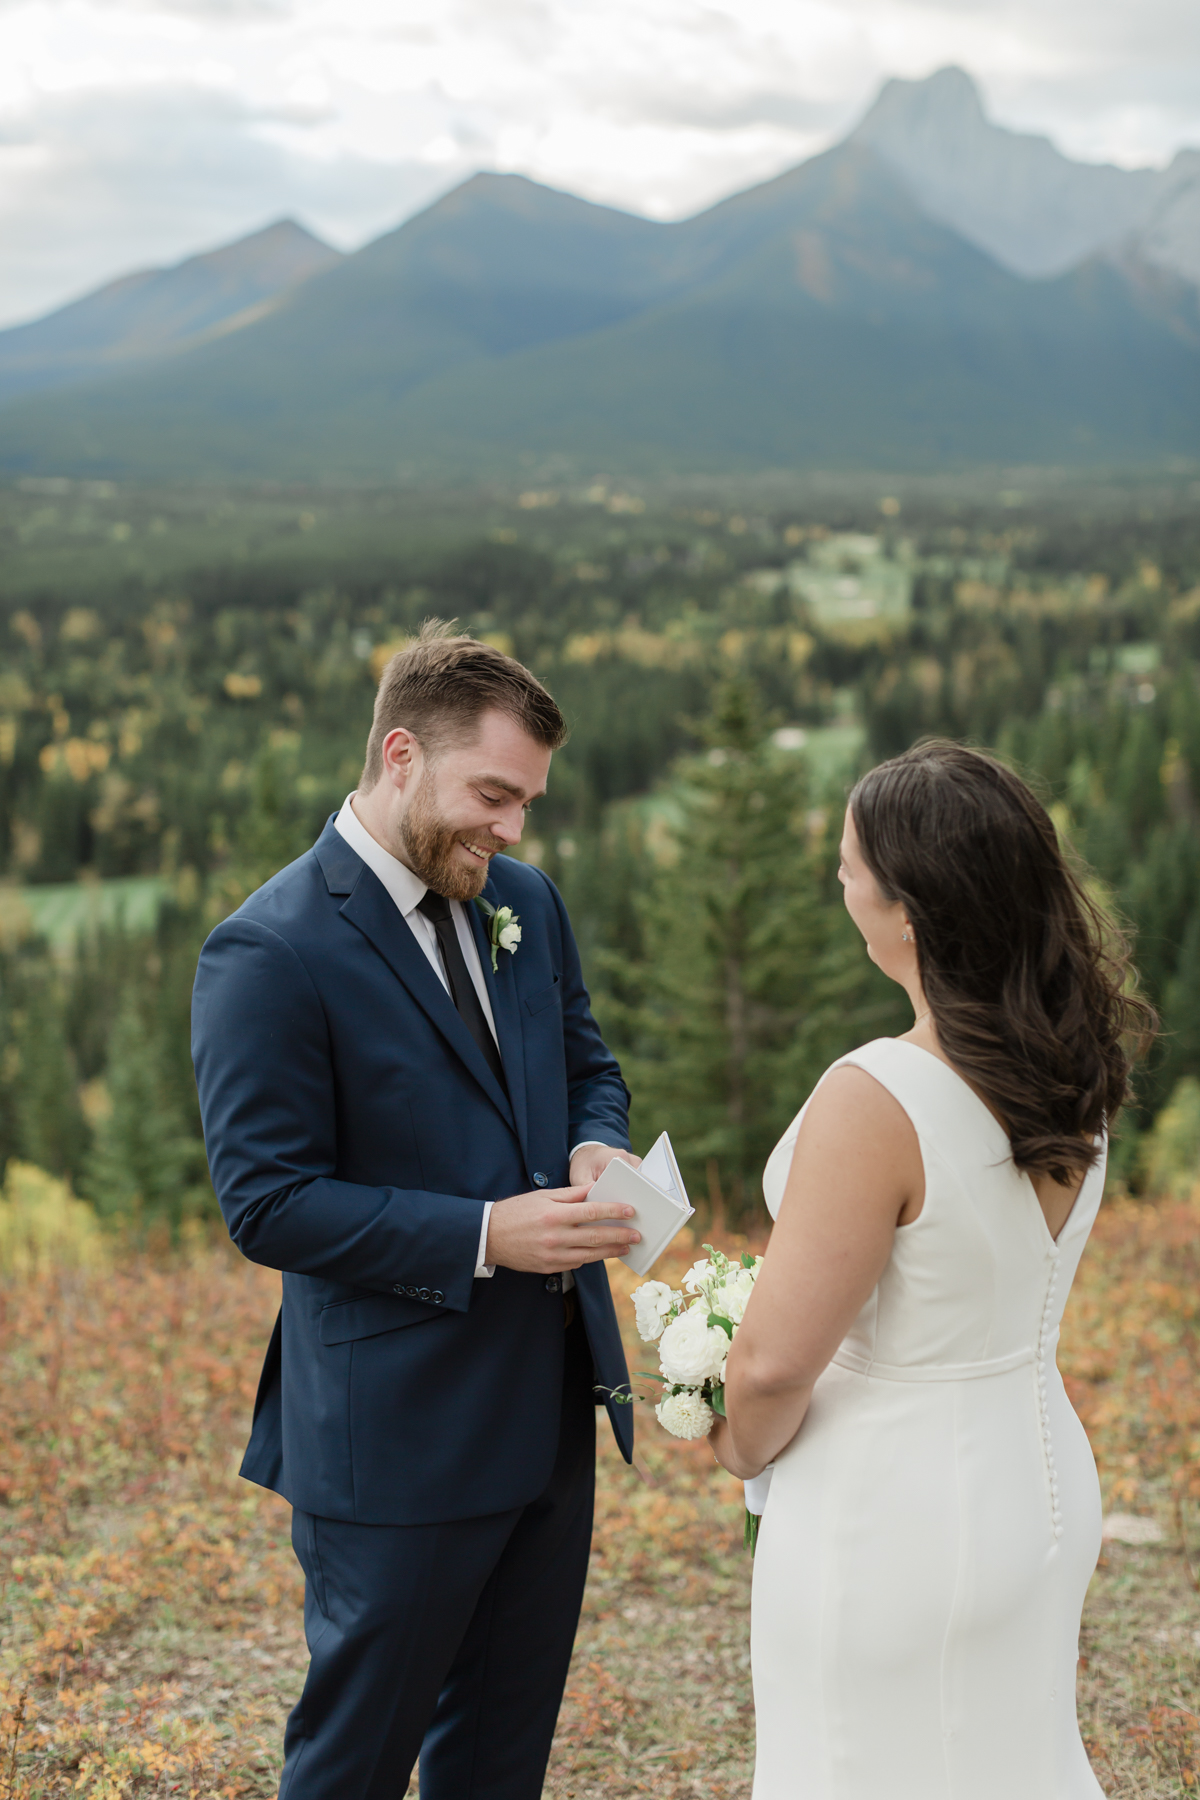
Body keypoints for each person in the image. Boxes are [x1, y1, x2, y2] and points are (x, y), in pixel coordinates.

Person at [192, 621, 643, 1800]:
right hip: (391, 1441)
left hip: (546, 1409)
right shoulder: (268, 949)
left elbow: (589, 1063)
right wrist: (487, 1236)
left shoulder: (526, 905)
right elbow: (268, 1203)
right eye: (494, 794)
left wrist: (597, 1143)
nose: (513, 829)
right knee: (353, 1765)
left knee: (501, 1762)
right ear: (401, 755)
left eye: (529, 802)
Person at [712, 740, 1154, 1799]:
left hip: (893, 1508)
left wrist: (734, 1440)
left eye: (850, 865)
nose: (839, 878)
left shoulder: (878, 1095)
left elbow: (774, 1367)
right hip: (1037, 1474)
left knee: (857, 1766)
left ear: (906, 911)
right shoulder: (1068, 1064)